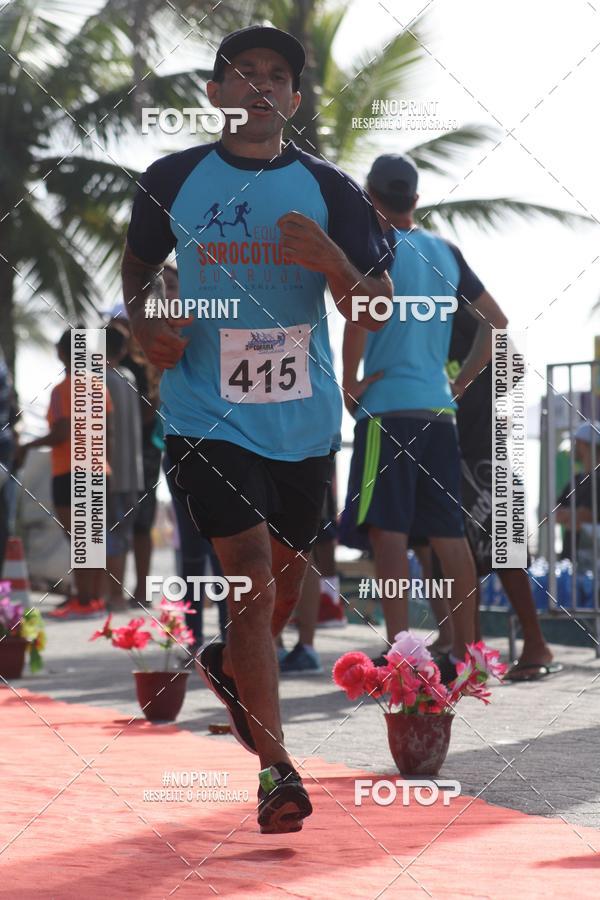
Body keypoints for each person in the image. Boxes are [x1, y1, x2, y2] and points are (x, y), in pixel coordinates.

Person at [122, 25, 392, 834]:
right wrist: (146, 327)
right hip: (206, 412)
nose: (262, 86)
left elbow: (374, 307)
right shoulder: (171, 178)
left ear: (297, 100)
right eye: (244, 74)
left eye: (278, 75)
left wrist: (336, 267)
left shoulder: (330, 188)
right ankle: (278, 770)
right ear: (216, 93)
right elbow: (139, 269)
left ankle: (233, 673)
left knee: (275, 585)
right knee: (243, 574)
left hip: (303, 423)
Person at [342, 153, 506, 684]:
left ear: (370, 197)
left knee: (389, 535)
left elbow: (359, 315)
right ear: (414, 199)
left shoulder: (374, 248)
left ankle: (401, 655)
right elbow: (497, 323)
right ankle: (471, 654)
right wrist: (458, 382)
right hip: (440, 411)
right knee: (447, 536)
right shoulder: (444, 252)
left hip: (388, 410)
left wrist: (350, 381)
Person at [441, 300, 559, 681]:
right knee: (466, 558)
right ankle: (473, 652)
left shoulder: (458, 308)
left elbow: (517, 365)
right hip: (460, 449)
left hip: (482, 450)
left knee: (502, 555)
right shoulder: (434, 311)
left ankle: (531, 644)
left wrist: (475, 395)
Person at [15, 328, 111, 617]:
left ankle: (82, 600)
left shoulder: (61, 390)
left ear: (61, 352)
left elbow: (60, 433)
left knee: (78, 539)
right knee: (92, 537)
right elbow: (109, 430)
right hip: (97, 469)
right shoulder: (99, 386)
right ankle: (92, 598)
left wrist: (28, 445)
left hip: (69, 470)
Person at [105, 326, 144, 610]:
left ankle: (113, 595)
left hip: (110, 471)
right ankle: (116, 593)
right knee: (122, 534)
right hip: (134, 472)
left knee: (108, 536)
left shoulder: (99, 380)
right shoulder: (128, 377)